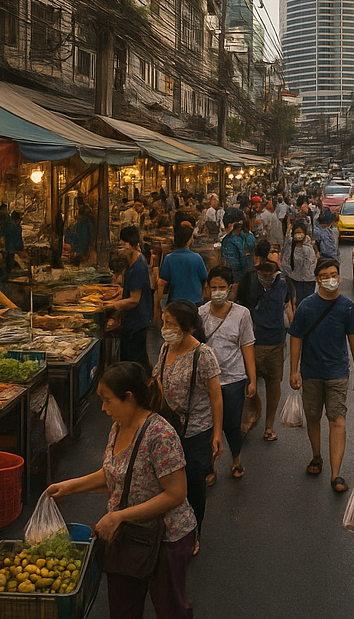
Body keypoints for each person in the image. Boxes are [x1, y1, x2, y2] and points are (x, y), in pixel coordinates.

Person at [46, 362, 196, 619]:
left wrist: (119, 516)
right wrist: (70, 487)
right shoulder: (118, 426)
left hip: (165, 536)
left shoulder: (160, 435)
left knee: (170, 608)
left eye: (107, 400)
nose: (103, 409)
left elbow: (176, 494)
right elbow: (114, 475)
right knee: (123, 606)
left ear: (130, 398)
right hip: (128, 536)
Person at [288, 256, 354, 492]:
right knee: (312, 417)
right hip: (311, 373)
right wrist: (293, 371)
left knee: (337, 420)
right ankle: (316, 455)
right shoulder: (306, 307)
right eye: (325, 277)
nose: (330, 280)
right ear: (317, 280)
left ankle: (336, 474)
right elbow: (296, 338)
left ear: (339, 276)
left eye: (333, 275)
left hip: (338, 373)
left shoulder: (347, 307)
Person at [154, 299, 223, 556]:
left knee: (194, 486)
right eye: (164, 322)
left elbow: (216, 396)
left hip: (195, 431)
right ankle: (169, 530)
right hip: (166, 430)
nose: (165, 328)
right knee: (167, 484)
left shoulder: (203, 354)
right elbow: (157, 382)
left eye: (170, 323)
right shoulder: (165, 348)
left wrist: (217, 434)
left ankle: (194, 533)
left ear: (187, 327)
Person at [197, 267, 256, 481]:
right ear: (207, 289)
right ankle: (210, 466)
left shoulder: (242, 314)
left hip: (233, 379)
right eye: (214, 288)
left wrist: (252, 380)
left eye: (222, 287)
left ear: (230, 288)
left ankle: (236, 457)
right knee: (207, 425)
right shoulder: (200, 314)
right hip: (206, 381)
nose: (218, 291)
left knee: (231, 424)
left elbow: (247, 346)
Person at [243, 260, 293, 443]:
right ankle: (251, 416)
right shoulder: (250, 281)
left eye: (269, 275)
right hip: (253, 342)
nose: (265, 278)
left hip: (276, 342)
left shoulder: (283, 283)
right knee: (250, 384)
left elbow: (289, 303)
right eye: (262, 274)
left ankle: (269, 426)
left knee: (273, 383)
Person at [108, 227, 153, 372]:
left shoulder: (139, 266)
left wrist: (110, 305)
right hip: (133, 320)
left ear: (128, 244)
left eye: (122, 243)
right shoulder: (131, 262)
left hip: (137, 322)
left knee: (134, 363)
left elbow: (134, 300)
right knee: (137, 360)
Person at [158, 222, 209, 307]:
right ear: (188, 241)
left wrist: (158, 305)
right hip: (194, 301)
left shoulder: (169, 259)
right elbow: (204, 280)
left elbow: (162, 283)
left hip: (175, 301)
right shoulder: (197, 258)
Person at [219, 209, 255, 305]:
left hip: (237, 286)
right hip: (253, 283)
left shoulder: (228, 241)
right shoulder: (250, 237)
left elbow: (231, 267)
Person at [282, 222, 317, 304]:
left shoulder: (308, 247)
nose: (299, 235)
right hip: (294, 280)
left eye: (301, 233)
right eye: (297, 233)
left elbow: (311, 263)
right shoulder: (289, 246)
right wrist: (291, 275)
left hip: (309, 281)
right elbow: (285, 262)